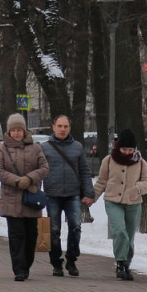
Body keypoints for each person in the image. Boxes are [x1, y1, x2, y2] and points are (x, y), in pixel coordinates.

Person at [90, 129, 147, 281]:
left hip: (133, 203)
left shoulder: (140, 163)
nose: (127, 152)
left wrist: (137, 188)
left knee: (129, 237)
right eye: (124, 149)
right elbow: (102, 181)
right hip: (113, 201)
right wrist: (92, 197)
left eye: (130, 150)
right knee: (119, 231)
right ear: (118, 147)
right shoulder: (109, 160)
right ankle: (120, 262)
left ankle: (126, 264)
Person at [0, 113, 48, 281]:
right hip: (11, 199)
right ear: (9, 132)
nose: (17, 133)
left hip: (31, 200)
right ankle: (19, 269)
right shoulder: (2, 148)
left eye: (19, 130)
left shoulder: (36, 148)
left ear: (25, 131)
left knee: (31, 235)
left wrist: (29, 179)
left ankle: (27, 265)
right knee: (16, 236)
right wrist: (18, 181)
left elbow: (44, 168)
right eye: (13, 130)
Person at [41, 113, 94, 277]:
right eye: (59, 126)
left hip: (73, 195)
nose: (62, 129)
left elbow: (85, 171)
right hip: (52, 195)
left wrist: (89, 193)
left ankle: (71, 260)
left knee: (75, 227)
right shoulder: (44, 147)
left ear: (70, 128)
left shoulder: (77, 147)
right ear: (53, 127)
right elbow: (38, 170)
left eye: (65, 126)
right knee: (53, 229)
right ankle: (56, 262)